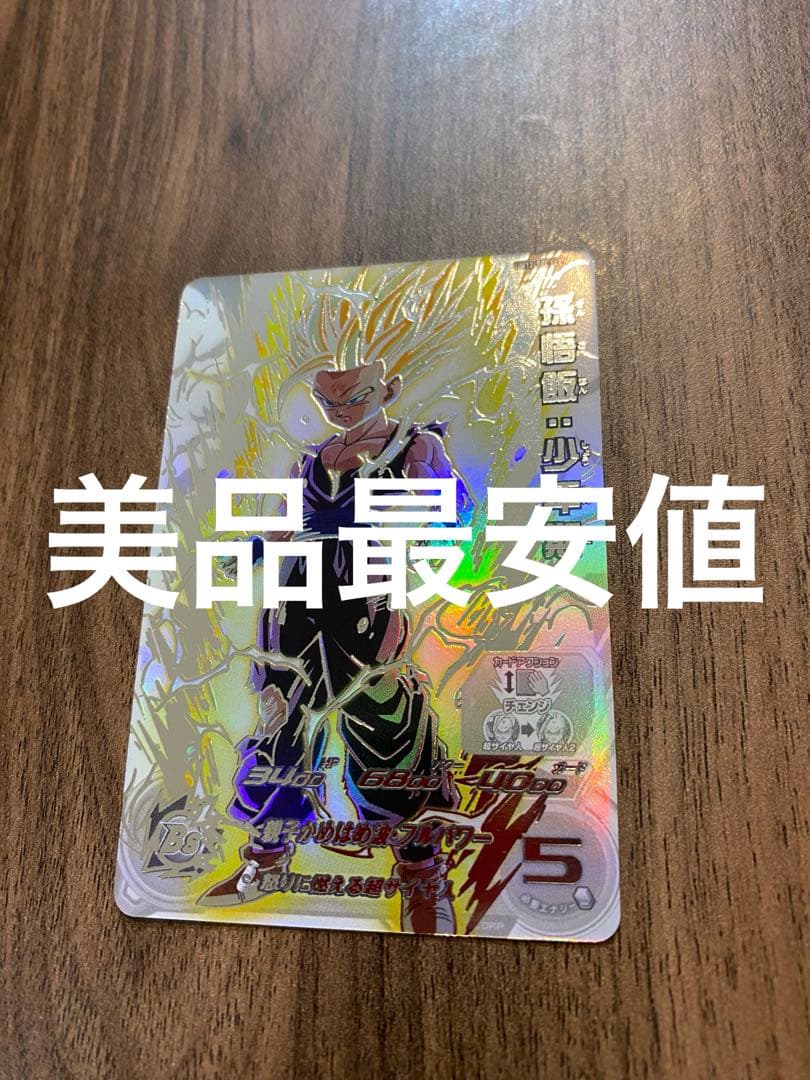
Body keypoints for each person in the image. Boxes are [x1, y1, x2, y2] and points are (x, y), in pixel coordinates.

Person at [200, 360, 470, 934]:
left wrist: (421, 507)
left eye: (355, 398)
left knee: (388, 727)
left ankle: (422, 874)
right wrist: (243, 555)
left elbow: (455, 519)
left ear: (388, 390)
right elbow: (281, 529)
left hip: (366, 598)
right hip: (294, 601)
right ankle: (266, 859)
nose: (340, 411)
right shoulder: (309, 459)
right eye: (329, 401)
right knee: (281, 725)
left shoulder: (414, 446)